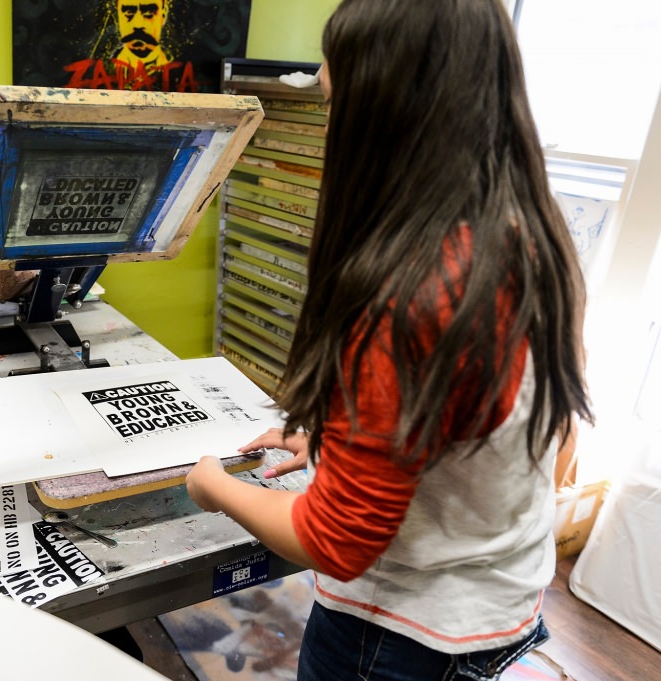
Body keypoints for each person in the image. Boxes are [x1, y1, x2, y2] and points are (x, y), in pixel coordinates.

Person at [185, 1, 593, 680]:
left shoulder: (405, 295)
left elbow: (333, 539)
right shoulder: (535, 236)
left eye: (334, 96)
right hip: (498, 604)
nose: (326, 108)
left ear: (385, 116)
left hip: (400, 636)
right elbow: (488, 419)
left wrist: (213, 486)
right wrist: (346, 444)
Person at [112, 1, 171, 69]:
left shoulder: (179, 69)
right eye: (128, 12)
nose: (138, 25)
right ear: (117, 16)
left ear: (164, 14)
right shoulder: (107, 69)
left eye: (149, 12)